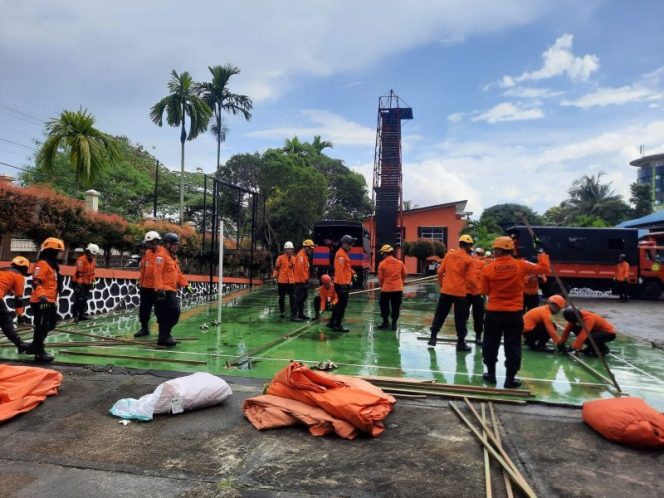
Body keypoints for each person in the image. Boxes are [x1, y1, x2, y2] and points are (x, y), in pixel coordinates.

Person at [481, 236, 551, 388]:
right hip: (514, 313)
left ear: (498, 250)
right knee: (513, 346)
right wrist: (541, 251)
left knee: (490, 344)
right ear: (511, 250)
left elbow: (484, 290)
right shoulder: (521, 265)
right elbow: (545, 269)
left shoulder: (488, 268)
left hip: (493, 313)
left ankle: (491, 374)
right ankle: (510, 379)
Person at [427, 234, 474, 351]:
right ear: (468, 246)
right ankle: (460, 343)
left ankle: (433, 337)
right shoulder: (469, 260)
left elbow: (439, 272)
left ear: (459, 243)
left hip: (446, 291)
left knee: (440, 315)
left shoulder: (449, 255)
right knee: (461, 319)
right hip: (461, 293)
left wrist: (442, 285)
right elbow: (470, 279)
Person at [26, 237, 65, 362]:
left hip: (50, 301)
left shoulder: (52, 266)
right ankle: (39, 352)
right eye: (57, 251)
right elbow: (36, 281)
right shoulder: (42, 264)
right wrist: (42, 296)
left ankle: (34, 346)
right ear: (51, 251)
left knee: (50, 323)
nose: (59, 254)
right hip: (41, 301)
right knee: (42, 325)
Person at [152, 232, 192, 347]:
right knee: (173, 312)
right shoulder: (161, 255)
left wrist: (187, 286)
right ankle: (165, 336)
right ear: (168, 244)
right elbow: (157, 272)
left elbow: (178, 274)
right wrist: (159, 289)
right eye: (175, 244)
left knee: (168, 314)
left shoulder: (173, 257)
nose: (177, 246)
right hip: (164, 290)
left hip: (172, 289)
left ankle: (164, 337)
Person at [0, 256, 31, 353]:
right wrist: (20, 317)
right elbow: (19, 300)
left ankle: (20, 344)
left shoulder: (3, 271)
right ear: (25, 269)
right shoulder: (18, 276)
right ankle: (20, 344)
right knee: (6, 321)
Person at [135, 232, 161, 337]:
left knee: (160, 310)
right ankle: (144, 329)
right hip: (145, 287)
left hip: (157, 288)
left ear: (157, 241)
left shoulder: (163, 253)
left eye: (152, 242)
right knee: (144, 309)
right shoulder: (147, 253)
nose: (150, 244)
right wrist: (140, 281)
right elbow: (144, 270)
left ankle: (162, 331)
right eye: (149, 243)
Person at [329, 234, 356, 332]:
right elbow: (339, 271)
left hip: (342, 283)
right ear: (344, 244)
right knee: (342, 305)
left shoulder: (343, 254)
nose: (351, 247)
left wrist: (351, 276)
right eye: (350, 244)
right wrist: (343, 285)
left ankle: (332, 323)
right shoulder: (341, 254)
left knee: (339, 304)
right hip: (341, 284)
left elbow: (345, 269)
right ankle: (337, 325)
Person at [377, 244, 407, 330]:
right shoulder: (400, 263)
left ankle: (385, 322)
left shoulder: (382, 264)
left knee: (384, 306)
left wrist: (382, 286)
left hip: (386, 289)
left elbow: (380, 278)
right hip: (398, 289)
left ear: (385, 253)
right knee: (396, 306)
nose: (382, 255)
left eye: (382, 253)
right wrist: (401, 282)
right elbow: (404, 274)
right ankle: (394, 324)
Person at [72, 243, 100, 322]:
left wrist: (94, 281)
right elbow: (79, 273)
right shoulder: (81, 260)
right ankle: (75, 315)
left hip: (87, 283)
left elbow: (92, 273)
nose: (94, 256)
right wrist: (79, 284)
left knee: (85, 299)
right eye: (93, 254)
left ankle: (82, 315)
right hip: (78, 282)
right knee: (79, 299)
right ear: (89, 252)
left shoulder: (92, 261)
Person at [465, 247, 487, 344]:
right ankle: (462, 337)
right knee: (463, 316)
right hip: (467, 293)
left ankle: (478, 336)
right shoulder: (464, 263)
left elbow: (485, 278)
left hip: (477, 294)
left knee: (478, 317)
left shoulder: (483, 263)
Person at [292, 239, 314, 321]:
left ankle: (301, 315)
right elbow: (301, 270)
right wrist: (305, 280)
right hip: (299, 282)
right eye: (310, 248)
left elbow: (305, 270)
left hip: (303, 281)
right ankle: (294, 316)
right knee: (297, 299)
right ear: (306, 247)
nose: (311, 250)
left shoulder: (305, 256)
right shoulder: (301, 256)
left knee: (302, 299)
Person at [273, 241, 295, 318]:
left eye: (291, 249)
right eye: (288, 249)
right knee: (281, 297)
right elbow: (276, 268)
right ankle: (282, 311)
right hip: (282, 281)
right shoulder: (280, 258)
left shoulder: (294, 259)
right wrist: (274, 277)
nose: (289, 251)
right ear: (285, 250)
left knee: (292, 296)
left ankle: (293, 312)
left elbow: (295, 269)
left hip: (291, 281)